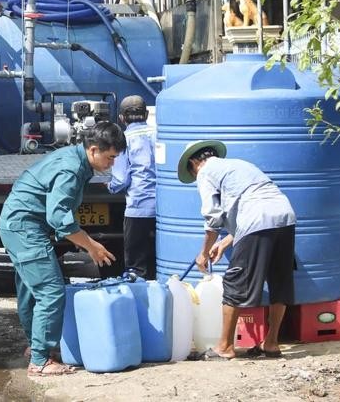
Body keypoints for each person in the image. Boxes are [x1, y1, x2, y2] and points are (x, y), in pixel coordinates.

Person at [0, 122, 125, 377]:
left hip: (18, 225)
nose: (113, 163)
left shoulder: (76, 160)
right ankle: (40, 360)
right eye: (110, 157)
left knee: (31, 290)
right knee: (51, 291)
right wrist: (91, 246)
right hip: (25, 228)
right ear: (93, 150)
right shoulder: (71, 168)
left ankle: (36, 348)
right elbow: (59, 218)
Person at [178, 140, 296, 361]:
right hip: (285, 216)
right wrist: (223, 244)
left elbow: (213, 217)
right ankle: (271, 343)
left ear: (195, 162)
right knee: (280, 280)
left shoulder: (205, 173)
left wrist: (203, 253)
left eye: (192, 172)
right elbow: (252, 206)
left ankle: (224, 347)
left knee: (235, 282)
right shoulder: (239, 165)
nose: (195, 176)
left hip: (258, 219)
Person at [108, 95, 157, 279]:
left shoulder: (123, 140)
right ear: (146, 114)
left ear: (121, 118)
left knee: (137, 269)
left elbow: (121, 180)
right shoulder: (160, 134)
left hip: (138, 209)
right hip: (164, 211)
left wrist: (111, 187)